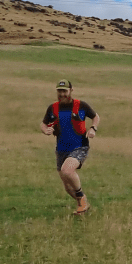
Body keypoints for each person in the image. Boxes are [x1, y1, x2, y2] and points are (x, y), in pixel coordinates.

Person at [40, 79, 100, 215]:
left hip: (80, 146)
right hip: (61, 149)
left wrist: (93, 128)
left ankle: (81, 198)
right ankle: (83, 205)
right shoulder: (52, 108)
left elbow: (96, 117)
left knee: (67, 171)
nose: (62, 94)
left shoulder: (81, 105)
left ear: (71, 91)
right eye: (59, 91)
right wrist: (45, 130)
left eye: (64, 91)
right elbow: (43, 124)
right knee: (67, 187)